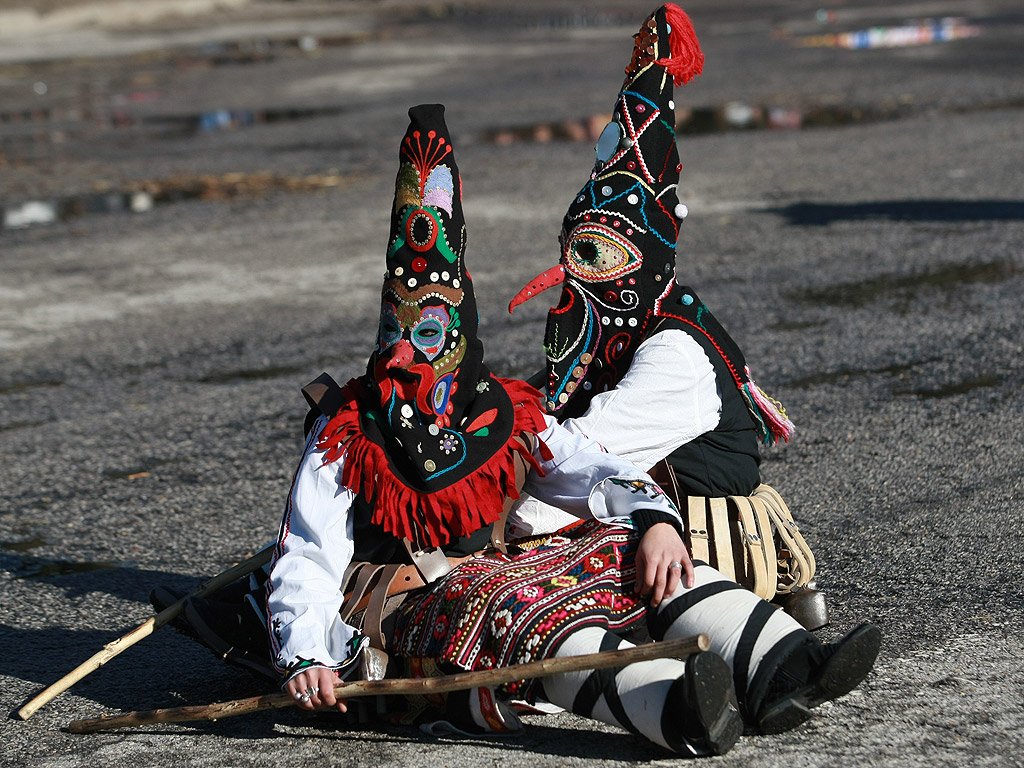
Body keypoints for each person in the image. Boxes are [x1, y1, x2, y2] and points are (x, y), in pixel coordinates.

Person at [503, 4, 826, 629]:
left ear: (647, 261)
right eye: (574, 254)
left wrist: (480, 505)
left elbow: (590, 451)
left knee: (504, 571)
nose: (577, 277)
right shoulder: (619, 334)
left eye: (599, 256)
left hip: (690, 541)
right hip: (632, 507)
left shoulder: (674, 352)